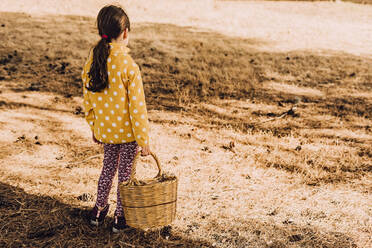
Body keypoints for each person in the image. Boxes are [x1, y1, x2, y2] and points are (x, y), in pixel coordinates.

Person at [81, 4, 151, 233]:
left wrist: (94, 126)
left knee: (107, 169)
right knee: (125, 177)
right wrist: (143, 140)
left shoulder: (94, 60)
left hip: (108, 133)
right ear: (126, 33)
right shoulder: (129, 66)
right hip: (128, 135)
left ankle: (98, 211)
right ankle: (120, 219)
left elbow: (89, 97)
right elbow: (137, 109)